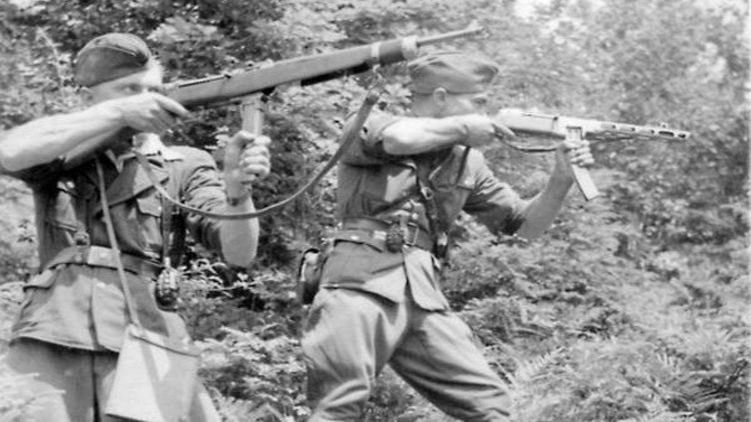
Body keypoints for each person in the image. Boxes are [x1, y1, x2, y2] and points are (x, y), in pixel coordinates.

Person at [300, 51, 594, 421]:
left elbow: (524, 226)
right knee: (338, 407)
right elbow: (397, 139)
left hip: (423, 296)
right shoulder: (373, 122)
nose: (483, 112)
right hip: (359, 283)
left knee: (490, 406)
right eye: (477, 102)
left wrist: (561, 179)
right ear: (440, 96)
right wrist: (463, 128)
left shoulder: (467, 160)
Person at [0, 33, 271, 421]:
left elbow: (239, 252)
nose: (145, 99)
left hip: (145, 329)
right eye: (128, 89)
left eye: (152, 91)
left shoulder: (184, 164)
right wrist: (119, 114)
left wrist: (237, 192)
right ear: (93, 96)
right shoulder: (62, 149)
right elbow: (9, 151)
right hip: (55, 326)